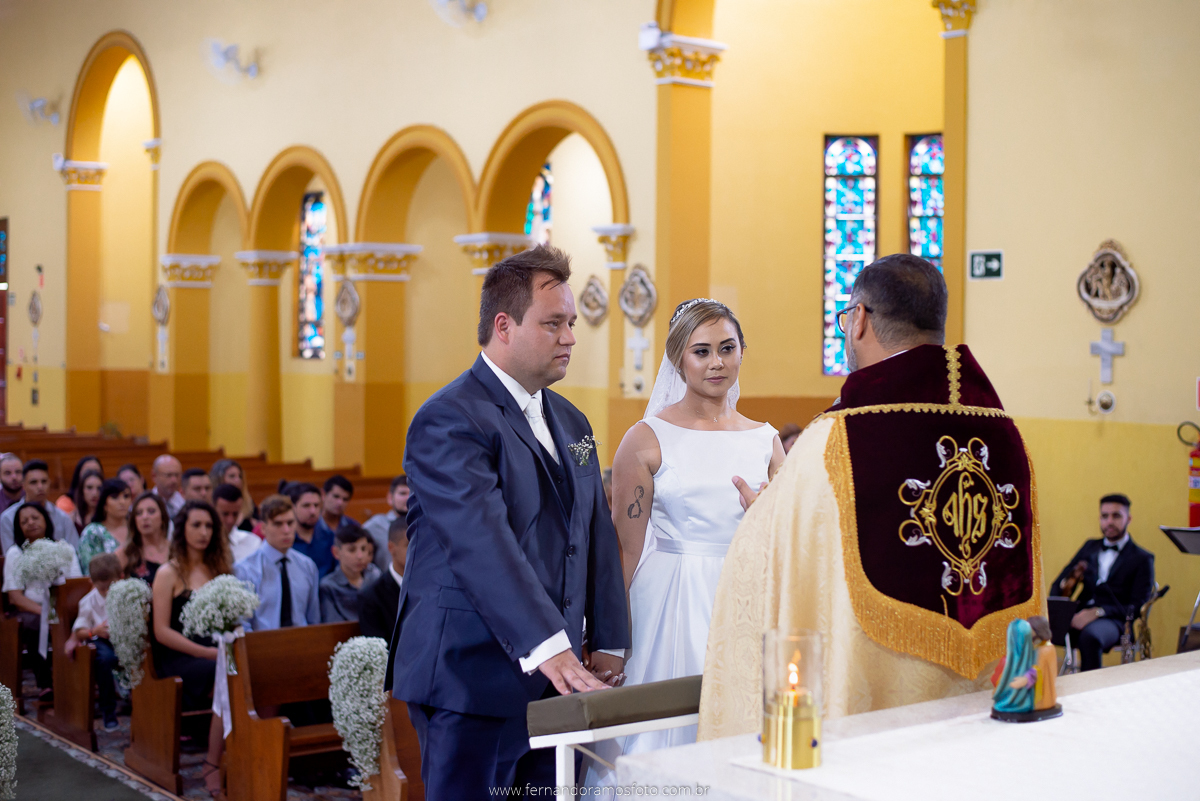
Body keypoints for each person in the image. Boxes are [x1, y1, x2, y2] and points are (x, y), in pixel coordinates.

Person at [699, 254, 1044, 739]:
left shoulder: (836, 439)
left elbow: (778, 558)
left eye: (846, 319)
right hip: (987, 708)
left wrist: (766, 518)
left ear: (858, 318)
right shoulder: (1006, 435)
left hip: (878, 730)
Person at [391, 244, 629, 799]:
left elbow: (595, 531)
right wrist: (549, 646)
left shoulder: (572, 420)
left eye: (571, 323)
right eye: (553, 323)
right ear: (504, 326)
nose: (570, 337)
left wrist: (610, 640)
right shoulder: (448, 419)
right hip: (469, 676)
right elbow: (481, 541)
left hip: (560, 678)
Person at [586, 300, 784, 784]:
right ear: (679, 359)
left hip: (745, 594)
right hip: (671, 596)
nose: (717, 362)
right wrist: (610, 637)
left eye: (727, 348)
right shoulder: (646, 438)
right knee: (669, 730)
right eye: (702, 351)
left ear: (742, 352)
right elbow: (624, 549)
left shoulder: (765, 439)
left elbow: (787, 533)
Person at [151, 500, 229, 793]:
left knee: (254, 670)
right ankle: (212, 762)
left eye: (209, 526)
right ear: (182, 529)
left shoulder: (219, 568)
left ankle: (243, 751)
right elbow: (161, 632)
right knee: (225, 676)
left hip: (215, 651)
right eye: (196, 525)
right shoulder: (168, 573)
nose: (203, 532)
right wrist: (207, 653)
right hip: (179, 656)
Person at [1051, 494, 1154, 671]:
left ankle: (1091, 686)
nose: (1109, 522)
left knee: (1090, 636)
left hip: (1116, 621)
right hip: (1080, 613)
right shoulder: (1090, 546)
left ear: (1128, 519)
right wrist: (1062, 606)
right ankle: (1035, 684)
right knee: (1031, 629)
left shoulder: (1142, 558)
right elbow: (1058, 583)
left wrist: (1098, 612)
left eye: (1116, 516)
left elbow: (1137, 607)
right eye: (1105, 516)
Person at [3, 503, 83, 694]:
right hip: (32, 609)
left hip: (63, 606)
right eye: (24, 521)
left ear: (46, 520)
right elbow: (15, 596)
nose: (30, 523)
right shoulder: (16, 552)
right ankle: (45, 684)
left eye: (35, 518)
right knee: (36, 626)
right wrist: (46, 612)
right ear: (19, 527)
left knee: (80, 623)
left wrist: (59, 611)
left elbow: (75, 585)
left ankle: (76, 682)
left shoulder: (64, 548)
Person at [234, 495, 320, 630]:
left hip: (301, 639)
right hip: (262, 640)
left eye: (290, 523)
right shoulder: (245, 569)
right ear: (263, 528)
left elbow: (313, 619)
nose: (286, 531)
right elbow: (242, 624)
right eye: (278, 524)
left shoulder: (307, 566)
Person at [64, 552, 123, 729]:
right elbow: (79, 631)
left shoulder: (124, 596)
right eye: (102, 588)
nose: (107, 592)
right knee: (105, 659)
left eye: (110, 587)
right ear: (92, 582)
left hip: (122, 639)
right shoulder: (88, 602)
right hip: (99, 640)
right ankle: (108, 710)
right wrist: (94, 631)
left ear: (120, 578)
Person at [0, 460, 79, 552]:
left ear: (49, 483)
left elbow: (74, 552)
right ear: (23, 485)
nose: (40, 487)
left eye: (44, 481)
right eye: (33, 482)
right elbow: (9, 555)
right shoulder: (8, 518)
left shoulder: (63, 518)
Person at [359, 516, 407, 644]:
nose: (416, 550)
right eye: (409, 545)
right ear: (391, 547)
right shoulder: (371, 597)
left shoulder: (433, 587)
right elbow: (378, 649)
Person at [320, 523, 380, 623]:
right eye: (352, 550)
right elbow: (331, 625)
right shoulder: (329, 586)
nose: (360, 556)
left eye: (363, 549)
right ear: (336, 552)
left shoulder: (375, 576)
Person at [76, 478, 132, 574]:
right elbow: (89, 573)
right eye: (115, 497)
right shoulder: (93, 532)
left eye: (126, 496)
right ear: (104, 503)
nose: (122, 502)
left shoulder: (136, 528)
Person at [283, 482, 336, 578]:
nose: (313, 511)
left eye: (316, 505)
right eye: (306, 506)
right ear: (293, 507)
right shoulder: (284, 540)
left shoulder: (330, 538)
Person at [362, 475, 408, 572]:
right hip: (387, 579)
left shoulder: (426, 524)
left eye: (412, 493)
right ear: (390, 498)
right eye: (403, 493)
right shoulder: (376, 525)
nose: (408, 498)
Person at [125, 492, 170, 583]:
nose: (145, 517)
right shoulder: (127, 553)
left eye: (151, 511)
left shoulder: (177, 550)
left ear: (162, 517)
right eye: (139, 513)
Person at [213, 483, 261, 564]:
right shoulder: (201, 543)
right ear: (213, 510)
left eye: (235, 514)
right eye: (225, 514)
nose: (230, 520)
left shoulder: (253, 543)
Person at [210, 459, 256, 531]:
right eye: (232, 476)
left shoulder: (249, 503)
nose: (238, 480)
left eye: (240, 476)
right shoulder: (210, 503)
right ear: (219, 479)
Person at [69, 469, 104, 535]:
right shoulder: (71, 519)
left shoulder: (110, 518)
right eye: (89, 487)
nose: (95, 493)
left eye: (99, 488)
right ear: (81, 490)